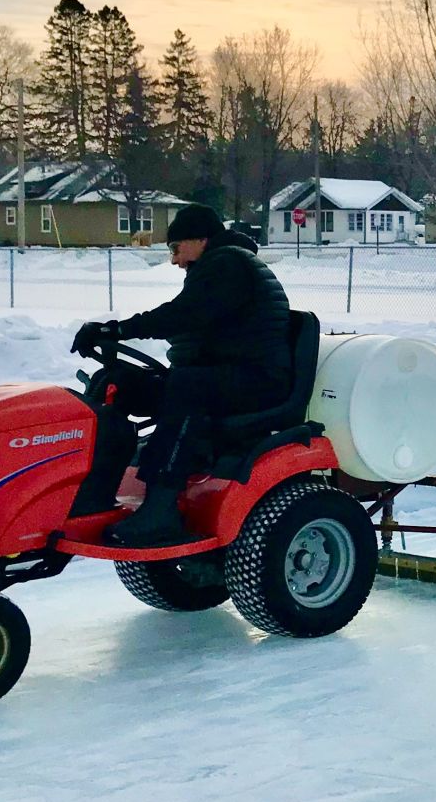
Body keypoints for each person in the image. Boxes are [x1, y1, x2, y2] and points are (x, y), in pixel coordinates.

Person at [73, 204, 291, 546]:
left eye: (176, 249)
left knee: (187, 387)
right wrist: (114, 339)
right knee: (116, 381)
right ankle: (92, 490)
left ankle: (161, 509)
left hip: (257, 381)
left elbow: (182, 316)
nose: (174, 260)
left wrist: (117, 330)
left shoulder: (229, 264)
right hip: (223, 374)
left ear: (201, 239)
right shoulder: (216, 267)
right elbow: (193, 327)